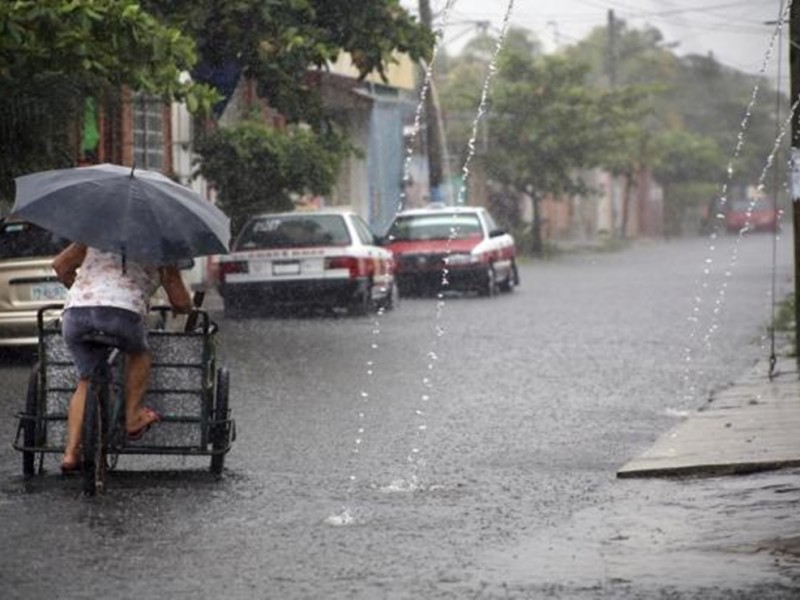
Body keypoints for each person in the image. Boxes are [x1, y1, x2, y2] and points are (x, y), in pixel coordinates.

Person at [52, 242, 193, 472]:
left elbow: (60, 266)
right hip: (122, 314)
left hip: (77, 314)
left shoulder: (94, 236)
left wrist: (81, 290)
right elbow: (179, 300)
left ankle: (70, 453)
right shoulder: (161, 247)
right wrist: (186, 308)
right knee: (139, 353)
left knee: (86, 378)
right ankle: (133, 416)